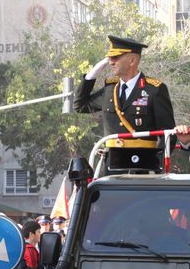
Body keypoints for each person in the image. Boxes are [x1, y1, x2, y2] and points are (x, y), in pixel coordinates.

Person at [74, 35, 175, 173]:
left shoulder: (154, 90)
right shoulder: (111, 88)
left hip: (142, 166)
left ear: (132, 60)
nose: (111, 62)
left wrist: (158, 167)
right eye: (110, 58)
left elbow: (168, 134)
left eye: (115, 57)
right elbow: (80, 105)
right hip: (111, 166)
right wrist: (91, 75)